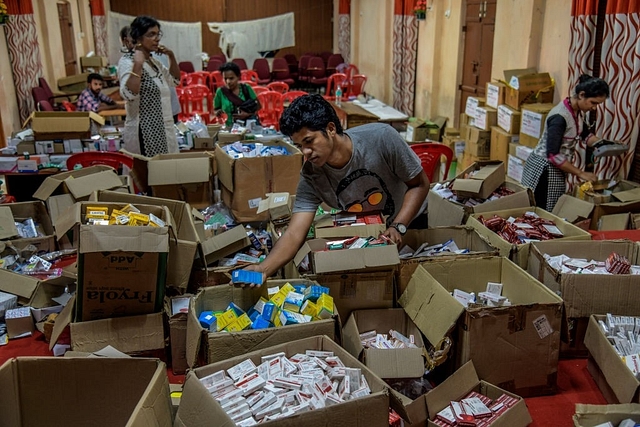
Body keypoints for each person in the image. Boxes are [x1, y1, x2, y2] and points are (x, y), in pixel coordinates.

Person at [239, 94, 429, 285]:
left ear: (330, 129)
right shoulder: (312, 175)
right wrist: (263, 269)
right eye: (299, 146)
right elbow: (294, 233)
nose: (305, 152)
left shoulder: (381, 139)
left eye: (309, 141)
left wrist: (399, 226)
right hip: (370, 235)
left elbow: (420, 184)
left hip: (410, 222)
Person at [521, 74, 610, 211]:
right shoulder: (559, 117)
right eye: (593, 103)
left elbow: (586, 136)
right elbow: (553, 155)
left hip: (556, 169)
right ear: (581, 95)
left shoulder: (577, 112)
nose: (594, 108)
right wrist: (581, 173)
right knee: (541, 210)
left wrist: (607, 144)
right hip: (543, 170)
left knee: (553, 207)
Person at [118, 16, 180, 156]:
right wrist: (138, 65)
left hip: (163, 128)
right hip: (145, 132)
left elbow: (174, 81)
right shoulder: (127, 61)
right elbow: (129, 94)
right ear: (138, 38)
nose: (157, 38)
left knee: (165, 170)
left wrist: (171, 56)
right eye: (151, 34)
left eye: (158, 34)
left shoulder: (154, 62)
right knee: (151, 173)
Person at [213, 62, 261, 128]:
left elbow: (258, 106)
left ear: (238, 77)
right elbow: (216, 110)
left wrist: (247, 114)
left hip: (247, 128)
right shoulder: (220, 92)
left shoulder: (246, 88)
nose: (228, 82)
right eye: (225, 79)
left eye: (231, 78)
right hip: (229, 129)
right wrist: (218, 112)